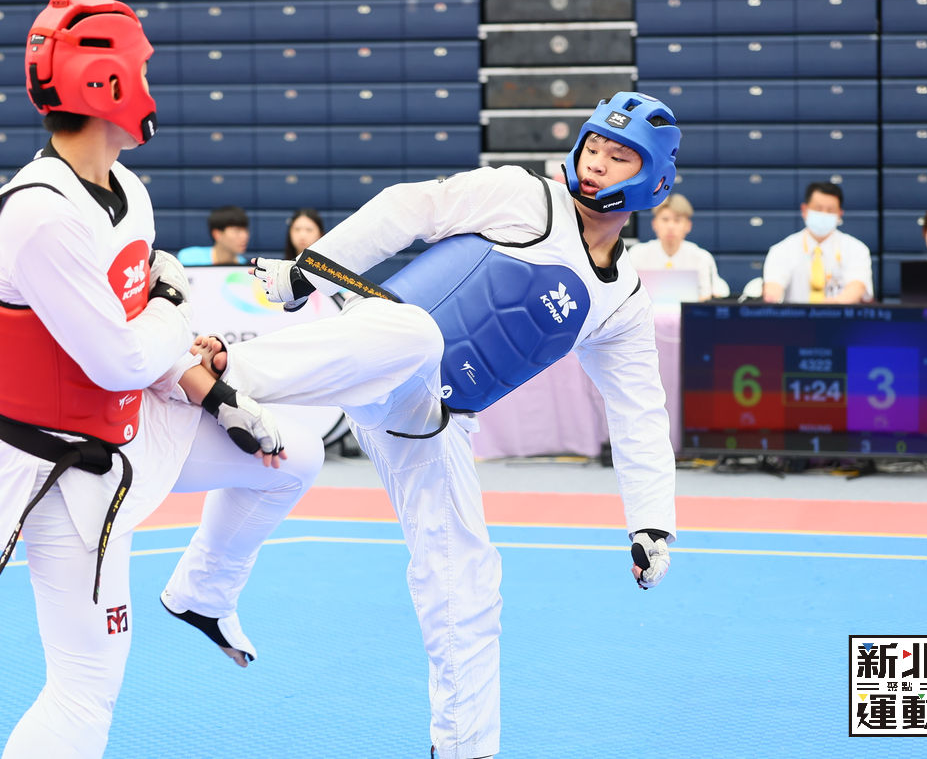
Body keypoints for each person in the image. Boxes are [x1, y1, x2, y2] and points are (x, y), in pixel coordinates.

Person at [171, 92, 679, 759]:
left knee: (468, 577)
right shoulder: (524, 197)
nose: (596, 164)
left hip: (432, 417)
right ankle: (225, 370)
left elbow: (639, 409)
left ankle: (463, 746)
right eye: (594, 147)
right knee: (415, 334)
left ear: (653, 179)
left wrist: (652, 523)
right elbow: (407, 208)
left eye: (619, 157)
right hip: (380, 344)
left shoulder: (624, 302)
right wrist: (308, 270)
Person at [0, 0, 324, 759]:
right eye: (144, 69)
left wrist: (216, 396)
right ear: (109, 83)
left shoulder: (128, 192)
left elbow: (143, 344)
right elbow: (120, 354)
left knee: (294, 451)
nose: (152, 84)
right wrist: (172, 297)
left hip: (130, 422)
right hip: (62, 466)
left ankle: (202, 591)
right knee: (84, 690)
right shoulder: (41, 214)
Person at [761, 181, 873, 304]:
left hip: (840, 314)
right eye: (818, 209)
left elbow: (857, 287)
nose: (824, 214)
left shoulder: (856, 249)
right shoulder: (781, 250)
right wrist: (772, 296)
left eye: (830, 210)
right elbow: (773, 288)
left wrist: (826, 309)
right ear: (804, 210)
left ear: (840, 214)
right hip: (795, 316)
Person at [627, 192, 726, 300]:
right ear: (654, 224)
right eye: (665, 220)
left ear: (688, 225)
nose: (670, 226)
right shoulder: (637, 254)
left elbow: (718, 290)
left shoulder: (702, 257)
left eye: (677, 220)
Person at [176, 204, 250, 265]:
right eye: (237, 231)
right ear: (217, 234)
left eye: (245, 230)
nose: (245, 236)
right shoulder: (189, 258)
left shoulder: (244, 267)